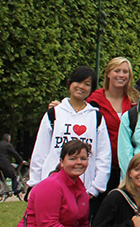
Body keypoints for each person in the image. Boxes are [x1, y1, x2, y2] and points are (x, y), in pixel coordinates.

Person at [28, 66, 112, 218]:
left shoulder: (96, 118)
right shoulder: (54, 114)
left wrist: (95, 187)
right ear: (70, 83)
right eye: (78, 82)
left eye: (87, 84)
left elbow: (103, 155)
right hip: (51, 186)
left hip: (84, 189)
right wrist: (36, 183)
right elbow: (40, 151)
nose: (81, 87)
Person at [87, 57, 139, 194]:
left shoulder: (135, 99)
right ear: (108, 74)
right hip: (101, 166)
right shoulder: (94, 101)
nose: (121, 75)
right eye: (117, 71)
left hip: (128, 165)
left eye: (125, 72)